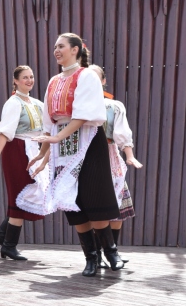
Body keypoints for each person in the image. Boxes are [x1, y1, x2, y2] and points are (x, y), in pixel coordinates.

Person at [22, 33, 125, 277]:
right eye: (55, 47)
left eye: (61, 46)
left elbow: (83, 115)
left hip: (88, 138)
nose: (56, 50)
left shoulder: (86, 75)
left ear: (76, 50)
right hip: (62, 141)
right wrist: (43, 154)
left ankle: (111, 252)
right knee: (72, 202)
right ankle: (91, 257)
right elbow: (49, 122)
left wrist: (58, 137)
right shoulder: (54, 80)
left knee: (94, 196)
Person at [0, 65, 47, 261]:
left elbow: (47, 129)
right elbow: (5, 132)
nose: (29, 80)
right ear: (16, 81)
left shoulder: (38, 103)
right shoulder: (13, 103)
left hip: (34, 149)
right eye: (25, 77)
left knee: (37, 192)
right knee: (21, 193)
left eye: (31, 77)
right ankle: (9, 246)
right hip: (17, 150)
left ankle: (3, 234)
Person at [89, 65, 143, 266]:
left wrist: (129, 155)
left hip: (110, 156)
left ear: (103, 82)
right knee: (95, 209)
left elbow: (122, 132)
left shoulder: (114, 106)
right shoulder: (77, 106)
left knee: (118, 208)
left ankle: (112, 252)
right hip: (88, 158)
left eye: (97, 79)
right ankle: (96, 254)